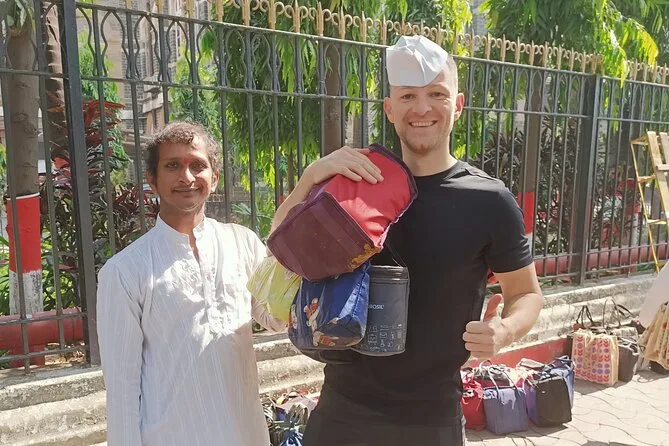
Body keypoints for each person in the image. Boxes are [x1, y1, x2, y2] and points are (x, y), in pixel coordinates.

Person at [271, 35, 545, 446]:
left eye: (437, 94)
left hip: (431, 417)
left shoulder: (489, 200)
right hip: (343, 409)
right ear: (390, 108)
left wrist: (504, 331)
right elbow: (279, 242)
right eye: (408, 96)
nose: (422, 108)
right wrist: (312, 176)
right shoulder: (357, 180)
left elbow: (526, 293)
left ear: (458, 104)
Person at [97, 121, 285, 445]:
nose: (186, 177)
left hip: (247, 435)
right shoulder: (125, 271)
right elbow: (122, 388)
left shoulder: (242, 243)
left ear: (215, 177)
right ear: (152, 179)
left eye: (197, 165)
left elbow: (278, 318)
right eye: (173, 166)